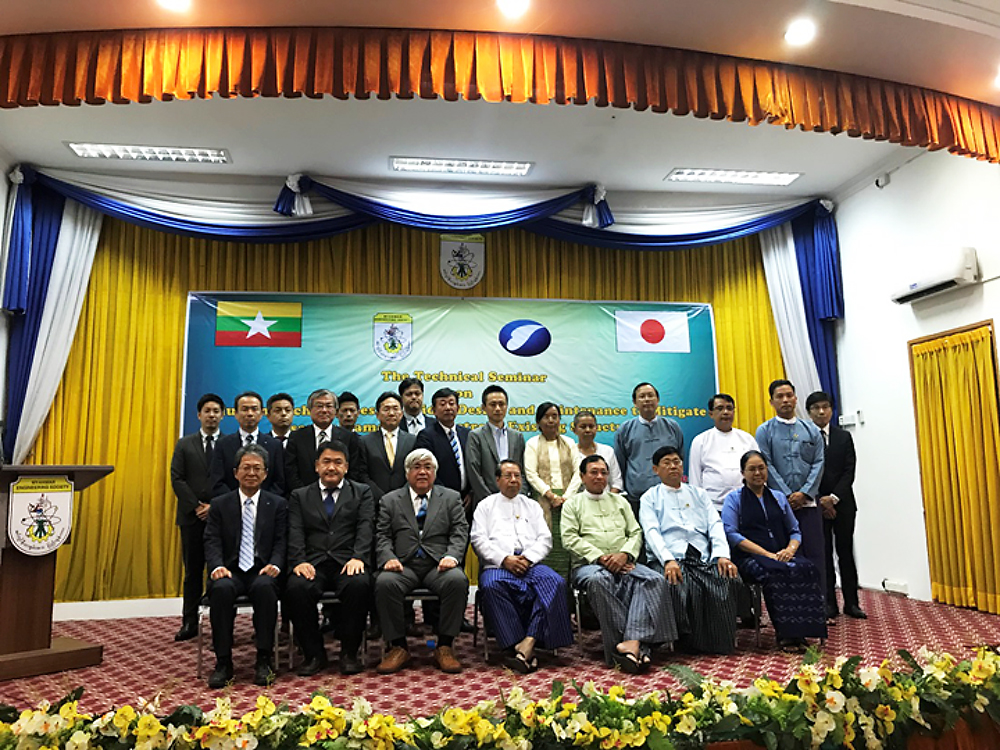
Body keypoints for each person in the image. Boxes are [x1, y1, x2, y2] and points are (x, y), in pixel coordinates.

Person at [562, 455, 676, 672]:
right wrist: (600, 557)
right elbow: (570, 539)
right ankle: (637, 644)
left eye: (604, 472)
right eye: (594, 472)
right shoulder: (573, 505)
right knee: (600, 579)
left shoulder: (620, 501)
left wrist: (625, 554)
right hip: (589, 565)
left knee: (654, 579)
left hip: (624, 561)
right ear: (582, 476)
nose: (599, 477)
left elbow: (635, 532)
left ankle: (629, 644)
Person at [471, 460, 574, 672]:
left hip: (530, 563)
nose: (513, 480)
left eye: (517, 476)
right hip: (498, 565)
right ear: (497, 480)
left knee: (555, 582)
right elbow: (478, 540)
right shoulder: (485, 506)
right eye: (508, 476)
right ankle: (515, 644)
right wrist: (504, 559)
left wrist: (527, 558)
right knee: (491, 586)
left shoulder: (532, 506)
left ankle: (528, 642)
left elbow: (545, 539)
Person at [374, 449, 470, 674]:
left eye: (428, 467)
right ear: (407, 473)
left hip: (438, 565)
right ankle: (398, 647)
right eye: (416, 467)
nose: (422, 472)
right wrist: (388, 558)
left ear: (435, 473)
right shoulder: (390, 500)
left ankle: (445, 646)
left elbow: (459, 531)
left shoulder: (451, 497)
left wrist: (452, 556)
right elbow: (382, 535)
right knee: (384, 582)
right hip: (403, 565)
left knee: (457, 580)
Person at [638, 445, 740, 654]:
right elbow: (652, 532)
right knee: (678, 584)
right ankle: (686, 643)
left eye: (677, 461)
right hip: (669, 557)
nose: (673, 466)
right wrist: (668, 560)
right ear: (656, 469)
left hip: (701, 556)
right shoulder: (649, 497)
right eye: (667, 463)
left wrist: (721, 555)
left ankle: (719, 642)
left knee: (727, 578)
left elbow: (715, 525)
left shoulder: (699, 494)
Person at [284, 440, 374, 675]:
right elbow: (295, 531)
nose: (331, 467)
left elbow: (366, 528)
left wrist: (359, 558)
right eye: (326, 462)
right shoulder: (300, 495)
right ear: (316, 466)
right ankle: (314, 654)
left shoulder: (362, 492)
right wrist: (299, 561)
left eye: (337, 462)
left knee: (359, 584)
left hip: (348, 560)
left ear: (346, 467)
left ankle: (349, 653)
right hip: (312, 562)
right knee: (297, 587)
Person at [722, 450, 827, 652]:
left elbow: (794, 530)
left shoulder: (778, 497)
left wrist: (790, 549)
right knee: (776, 573)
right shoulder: (734, 499)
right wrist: (766, 554)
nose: (757, 473)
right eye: (752, 469)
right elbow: (732, 534)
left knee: (807, 569)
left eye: (761, 468)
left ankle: (803, 631)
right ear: (743, 473)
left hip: (782, 553)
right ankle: (786, 634)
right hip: (749, 557)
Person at [203, 444, 286, 688]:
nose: (251, 473)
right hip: (231, 569)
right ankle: (223, 661)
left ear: (266, 473)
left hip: (263, 569)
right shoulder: (220, 504)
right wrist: (216, 565)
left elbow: (282, 541)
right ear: (235, 472)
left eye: (257, 468)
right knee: (221, 589)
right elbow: (211, 539)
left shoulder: (277, 504)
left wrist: (275, 564)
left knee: (265, 589)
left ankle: (264, 658)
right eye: (246, 468)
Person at [755, 380, 827, 609]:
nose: (785, 400)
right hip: (779, 505)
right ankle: (789, 609)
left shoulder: (811, 430)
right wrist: (787, 494)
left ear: (796, 398)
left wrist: (805, 493)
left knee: (815, 555)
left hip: (808, 505)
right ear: (771, 402)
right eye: (780, 396)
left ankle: (818, 607)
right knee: (784, 556)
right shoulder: (764, 431)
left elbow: (819, 462)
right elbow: (766, 464)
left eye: (789, 395)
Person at [806, 391, 866, 620]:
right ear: (809, 412)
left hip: (843, 504)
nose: (822, 412)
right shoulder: (806, 438)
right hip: (816, 505)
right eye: (816, 408)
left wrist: (834, 498)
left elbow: (849, 471)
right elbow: (808, 472)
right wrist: (821, 499)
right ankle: (828, 603)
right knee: (823, 555)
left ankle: (852, 603)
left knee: (845, 553)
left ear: (831, 409)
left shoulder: (844, 437)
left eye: (825, 407)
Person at [170, 392, 224, 642]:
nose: (212, 415)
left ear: (223, 415)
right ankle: (189, 622)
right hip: (191, 518)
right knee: (192, 572)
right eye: (207, 411)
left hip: (221, 518)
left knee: (218, 570)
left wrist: (214, 506)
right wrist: (197, 506)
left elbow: (236, 479)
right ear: (199, 415)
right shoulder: (184, 444)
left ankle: (219, 624)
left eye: (216, 411)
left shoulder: (229, 443)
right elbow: (177, 478)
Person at [524, 402, 582, 579]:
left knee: (567, 545)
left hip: (568, 502)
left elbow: (579, 472)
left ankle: (568, 596)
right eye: (546, 417)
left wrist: (565, 498)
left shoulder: (570, 442)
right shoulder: (532, 443)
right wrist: (550, 495)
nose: (551, 420)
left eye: (554, 416)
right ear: (538, 421)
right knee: (544, 543)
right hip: (543, 502)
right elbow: (530, 473)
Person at [614, 383, 684, 513]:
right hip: (636, 496)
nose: (647, 399)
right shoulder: (625, 429)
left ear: (657, 400)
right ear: (635, 402)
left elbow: (680, 457)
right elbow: (620, 463)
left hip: (669, 494)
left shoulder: (672, 427)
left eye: (650, 396)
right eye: (642, 396)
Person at [285, 388, 367, 490]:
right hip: (304, 499)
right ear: (309, 410)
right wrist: (304, 496)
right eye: (319, 406)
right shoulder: (297, 437)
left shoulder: (349, 437)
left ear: (335, 411)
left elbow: (354, 472)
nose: (324, 410)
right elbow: (291, 472)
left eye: (328, 406)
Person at [688, 394, 759, 511]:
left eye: (729, 408)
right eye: (720, 409)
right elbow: (695, 480)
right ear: (711, 414)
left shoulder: (747, 439)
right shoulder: (700, 441)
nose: (726, 412)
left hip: (746, 505)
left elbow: (759, 472)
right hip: (713, 507)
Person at [210, 391, 285, 497]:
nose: (250, 413)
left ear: (262, 413)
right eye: (245, 409)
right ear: (235, 413)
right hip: (230, 507)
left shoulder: (275, 445)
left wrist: (259, 502)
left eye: (254, 409)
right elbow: (217, 481)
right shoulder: (223, 444)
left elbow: (279, 482)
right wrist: (238, 501)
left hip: (266, 508)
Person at [467, 385, 526, 506]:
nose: (498, 408)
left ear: (507, 406)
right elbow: (474, 474)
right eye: (493, 405)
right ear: (483, 407)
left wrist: (520, 496)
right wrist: (491, 501)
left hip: (515, 501)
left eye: (501, 404)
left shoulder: (517, 436)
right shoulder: (476, 436)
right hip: (486, 503)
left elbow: (523, 471)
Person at [414, 388, 471, 508]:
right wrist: (447, 495)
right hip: (439, 499)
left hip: (467, 500)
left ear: (458, 408)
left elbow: (473, 466)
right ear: (434, 410)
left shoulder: (467, 434)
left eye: (451, 403)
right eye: (442, 404)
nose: (448, 408)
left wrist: (471, 492)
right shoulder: (426, 436)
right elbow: (427, 469)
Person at [362, 392, 416, 502]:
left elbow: (415, 470)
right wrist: (380, 496)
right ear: (377, 415)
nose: (391, 413)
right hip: (374, 502)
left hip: (405, 501)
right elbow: (362, 475)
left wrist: (401, 495)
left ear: (401, 414)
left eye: (395, 409)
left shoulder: (413, 441)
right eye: (386, 409)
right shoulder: (364, 441)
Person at [571, 410, 623, 493]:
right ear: (574, 430)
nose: (587, 430)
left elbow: (616, 482)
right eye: (583, 427)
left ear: (596, 428)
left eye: (591, 426)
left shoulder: (608, 451)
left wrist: (609, 501)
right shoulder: (569, 452)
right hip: (577, 503)